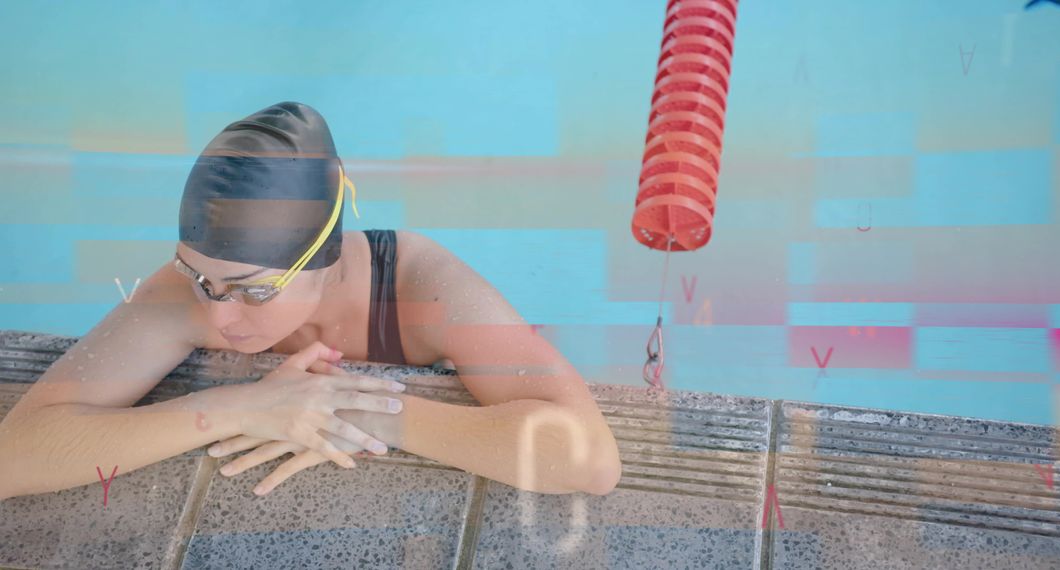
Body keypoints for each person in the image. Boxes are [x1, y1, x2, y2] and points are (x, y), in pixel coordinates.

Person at [0, 101, 621, 500]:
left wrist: (354, 410)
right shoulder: (191, 290)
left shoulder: (422, 287)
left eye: (254, 289)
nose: (218, 314)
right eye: (200, 278)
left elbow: (588, 459)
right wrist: (239, 406)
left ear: (323, 262)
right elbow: (15, 457)